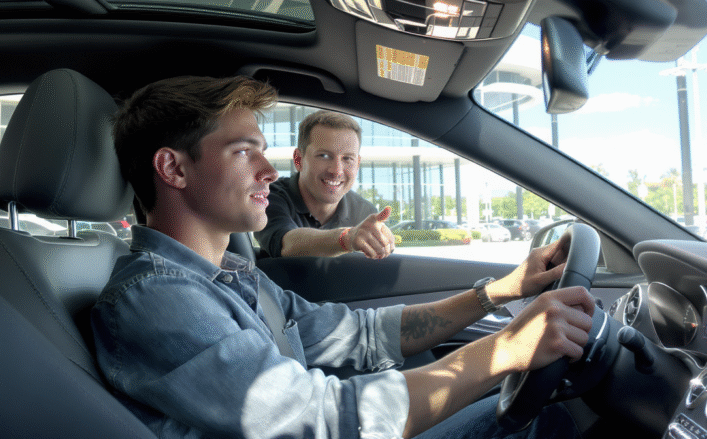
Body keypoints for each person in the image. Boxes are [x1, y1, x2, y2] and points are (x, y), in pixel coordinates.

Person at [93, 75, 595, 439]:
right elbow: (326, 420)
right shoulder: (157, 297)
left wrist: (502, 290)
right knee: (550, 417)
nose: (269, 170)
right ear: (173, 169)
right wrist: (504, 350)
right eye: (244, 151)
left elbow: (361, 335)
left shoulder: (233, 279)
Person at [255, 110, 396, 259]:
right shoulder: (268, 196)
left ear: (357, 164)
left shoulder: (365, 213)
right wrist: (347, 238)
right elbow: (286, 243)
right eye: (324, 156)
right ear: (298, 160)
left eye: (347, 158)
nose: (336, 170)